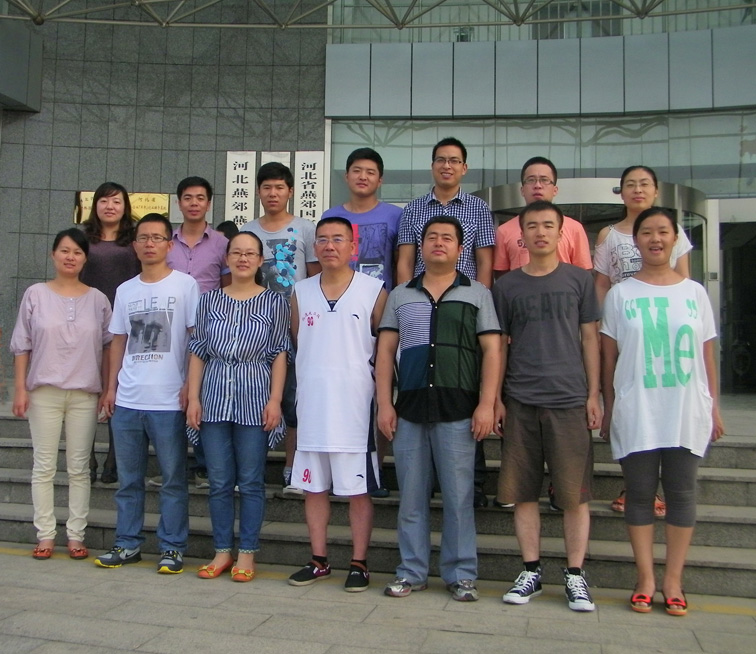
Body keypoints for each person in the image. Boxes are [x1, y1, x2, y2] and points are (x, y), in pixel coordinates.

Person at [600, 207, 724, 616]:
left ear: (675, 239)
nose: (655, 239)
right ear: (635, 241)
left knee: (681, 494)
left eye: (663, 232)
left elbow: (708, 357)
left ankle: (672, 580)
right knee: (638, 495)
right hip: (637, 408)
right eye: (647, 232)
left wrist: (714, 407)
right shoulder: (620, 295)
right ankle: (645, 579)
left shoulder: (695, 293)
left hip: (685, 408)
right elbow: (608, 359)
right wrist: (609, 408)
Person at [377, 216, 502, 602]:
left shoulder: (477, 293)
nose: (439, 243)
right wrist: (385, 403)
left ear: (460, 249)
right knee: (411, 498)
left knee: (459, 499)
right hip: (410, 407)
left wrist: (486, 404)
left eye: (447, 238)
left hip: (459, 408)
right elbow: (385, 351)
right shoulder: (401, 295)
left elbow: (492, 350)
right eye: (431, 237)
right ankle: (410, 571)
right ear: (421, 246)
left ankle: (461, 574)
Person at [493, 200, 601, 612]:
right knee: (522, 492)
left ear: (561, 232)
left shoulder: (579, 280)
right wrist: (497, 398)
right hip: (521, 398)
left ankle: (575, 575)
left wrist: (593, 394)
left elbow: (590, 338)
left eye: (548, 225)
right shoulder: (507, 287)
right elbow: (500, 346)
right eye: (533, 226)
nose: (540, 232)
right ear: (521, 234)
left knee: (574, 494)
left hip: (569, 399)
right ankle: (531, 571)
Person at [94, 213, 199, 574]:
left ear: (170, 245)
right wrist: (110, 388)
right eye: (143, 238)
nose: (150, 243)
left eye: (157, 238)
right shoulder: (126, 290)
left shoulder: (185, 286)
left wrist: (190, 386)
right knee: (128, 480)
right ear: (135, 245)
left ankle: (172, 548)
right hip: (128, 400)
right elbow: (118, 341)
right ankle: (127, 544)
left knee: (173, 480)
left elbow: (195, 339)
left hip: (169, 400)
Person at [287, 217, 387, 592]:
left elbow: (384, 348)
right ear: (314, 248)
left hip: (355, 407)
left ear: (353, 247)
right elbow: (298, 340)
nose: (330, 246)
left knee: (358, 491)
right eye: (323, 240)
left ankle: (359, 563)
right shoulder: (300, 291)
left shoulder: (374, 290)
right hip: (313, 404)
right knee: (314, 488)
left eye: (338, 239)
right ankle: (319, 560)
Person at [396, 136, 496, 508]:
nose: (447, 166)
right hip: (420, 305)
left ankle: (474, 481)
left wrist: (478, 301)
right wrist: (407, 300)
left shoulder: (478, 208)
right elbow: (406, 260)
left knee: (463, 387)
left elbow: (484, 260)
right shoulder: (413, 209)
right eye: (441, 159)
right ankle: (424, 480)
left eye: (454, 160)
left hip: (462, 307)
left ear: (464, 168)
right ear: (433, 165)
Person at [187, 231, 290, 582]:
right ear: (227, 258)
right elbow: (198, 350)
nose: (243, 259)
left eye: (250, 254)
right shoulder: (209, 301)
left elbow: (279, 353)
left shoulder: (275, 302)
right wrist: (194, 398)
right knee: (218, 481)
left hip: (255, 396)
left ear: (260, 260)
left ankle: (247, 553)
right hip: (214, 396)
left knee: (250, 481)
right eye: (236, 253)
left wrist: (275, 399)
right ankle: (221, 552)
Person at [595, 165, 692, 515]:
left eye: (644, 184)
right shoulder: (608, 235)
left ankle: (663, 488)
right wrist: (602, 324)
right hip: (626, 328)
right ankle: (635, 486)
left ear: (655, 191)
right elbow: (601, 283)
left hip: (664, 333)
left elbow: (684, 280)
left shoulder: (674, 232)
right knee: (629, 406)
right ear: (621, 192)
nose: (637, 189)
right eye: (630, 184)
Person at [11, 228, 112, 560]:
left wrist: (107, 389)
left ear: (85, 259)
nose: (70, 257)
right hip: (44, 392)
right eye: (65, 251)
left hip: (84, 394)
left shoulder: (98, 300)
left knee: (79, 469)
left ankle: (76, 535)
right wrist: (20, 389)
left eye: (77, 252)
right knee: (44, 467)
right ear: (53, 254)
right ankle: (45, 534)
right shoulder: (36, 294)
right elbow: (22, 344)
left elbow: (109, 347)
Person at [322, 147, 402, 498]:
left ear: (380, 179)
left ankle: (374, 471)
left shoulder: (395, 216)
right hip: (337, 316)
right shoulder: (331, 215)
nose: (363, 177)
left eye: (370, 171)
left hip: (379, 312)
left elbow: (401, 263)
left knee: (377, 391)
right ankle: (332, 471)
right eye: (357, 170)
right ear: (346, 176)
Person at [241, 162, 320, 498]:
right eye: (267, 187)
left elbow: (315, 278)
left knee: (293, 399)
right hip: (256, 326)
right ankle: (251, 469)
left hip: (295, 326)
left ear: (290, 191)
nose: (273, 193)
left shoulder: (305, 229)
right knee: (256, 396)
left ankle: (292, 468)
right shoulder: (248, 230)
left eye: (279, 187)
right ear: (258, 191)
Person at [165, 175, 229, 489]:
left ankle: (204, 465)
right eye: (188, 197)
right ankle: (173, 466)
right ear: (179, 203)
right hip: (169, 328)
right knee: (172, 391)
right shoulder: (166, 242)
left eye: (200, 198)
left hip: (208, 329)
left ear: (209, 203)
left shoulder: (221, 243)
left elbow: (228, 286)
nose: (194, 203)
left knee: (202, 392)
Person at [81, 181, 140, 485]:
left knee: (117, 388)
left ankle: (113, 461)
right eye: (104, 201)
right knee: (88, 390)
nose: (110, 206)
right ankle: (86, 458)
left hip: (125, 324)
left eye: (116, 201)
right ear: (95, 206)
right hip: (87, 322)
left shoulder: (135, 239)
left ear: (125, 206)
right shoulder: (83, 238)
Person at [493, 156, 591, 279]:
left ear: (555, 190)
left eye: (544, 180)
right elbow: (501, 277)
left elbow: (583, 274)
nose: (538, 185)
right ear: (522, 190)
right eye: (531, 180)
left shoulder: (575, 228)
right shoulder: (504, 231)